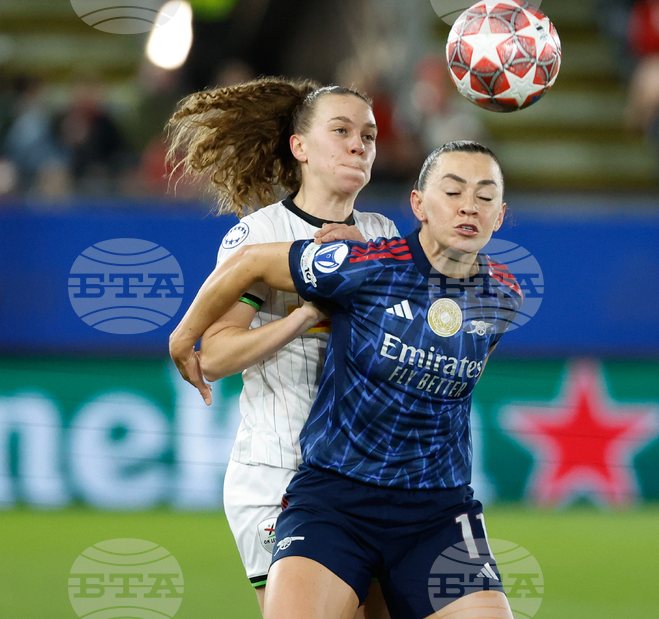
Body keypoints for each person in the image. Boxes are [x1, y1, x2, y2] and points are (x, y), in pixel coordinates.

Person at [170, 141, 523, 619]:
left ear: (499, 216)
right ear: (418, 204)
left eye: (485, 197)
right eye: (453, 190)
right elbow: (249, 261)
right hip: (335, 504)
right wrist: (184, 336)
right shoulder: (364, 264)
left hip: (437, 513)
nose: (468, 206)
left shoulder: (503, 295)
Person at [165, 78, 399, 617]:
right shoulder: (260, 234)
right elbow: (215, 356)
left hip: (363, 471)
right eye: (340, 131)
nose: (358, 144)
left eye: (368, 134)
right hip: (279, 470)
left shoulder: (382, 232)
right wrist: (304, 318)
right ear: (300, 147)